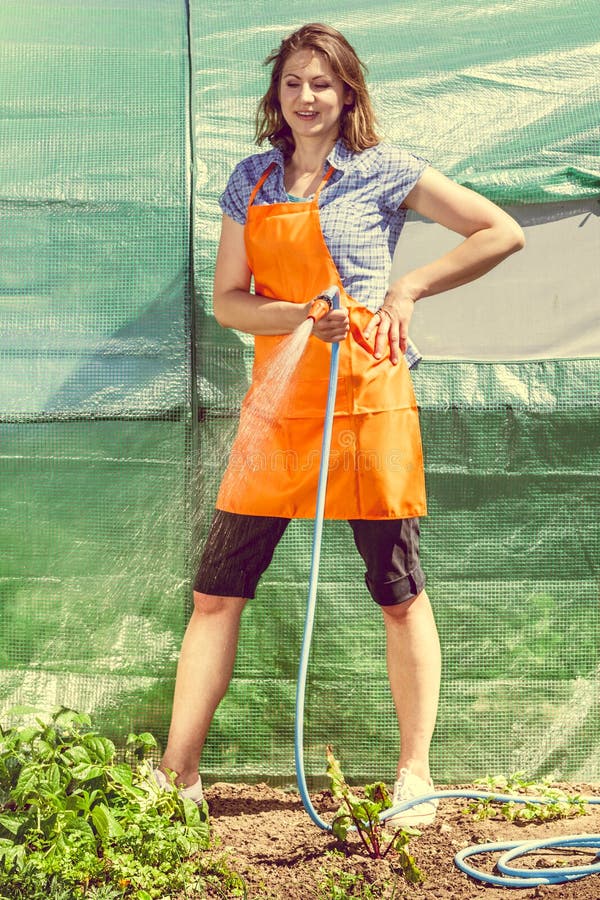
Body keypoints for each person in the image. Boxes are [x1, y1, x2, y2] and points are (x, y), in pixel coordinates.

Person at [155, 22, 525, 825]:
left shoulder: (385, 170)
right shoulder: (250, 181)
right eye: (292, 82)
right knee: (216, 593)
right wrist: (295, 314)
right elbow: (229, 301)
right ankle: (176, 774)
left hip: (367, 403)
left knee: (397, 594)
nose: (306, 97)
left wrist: (408, 290)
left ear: (347, 91)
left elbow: (502, 230)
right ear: (276, 94)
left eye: (322, 82)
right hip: (278, 409)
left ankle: (415, 775)